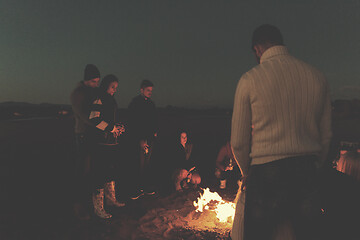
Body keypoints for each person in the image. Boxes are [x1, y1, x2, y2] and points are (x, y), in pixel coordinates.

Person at [231, 24, 332, 240]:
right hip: (306, 170)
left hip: (266, 173)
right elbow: (326, 135)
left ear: (257, 49)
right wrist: (314, 166)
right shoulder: (317, 77)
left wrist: (247, 171)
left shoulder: (249, 79)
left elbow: (238, 141)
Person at [88, 74, 126, 219]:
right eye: (112, 87)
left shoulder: (112, 100)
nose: (114, 90)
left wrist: (118, 127)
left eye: (116, 88)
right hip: (101, 143)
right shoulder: (99, 98)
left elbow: (112, 120)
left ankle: (111, 201)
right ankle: (99, 208)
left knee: (111, 171)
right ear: (105, 86)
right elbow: (94, 119)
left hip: (112, 143)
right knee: (100, 174)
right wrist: (111, 128)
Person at [70, 64, 101, 220]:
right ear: (87, 80)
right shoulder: (78, 94)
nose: (97, 84)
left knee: (89, 171)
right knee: (82, 171)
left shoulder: (90, 93)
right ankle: (78, 207)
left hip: (91, 135)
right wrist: (104, 125)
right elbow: (87, 117)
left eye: (98, 82)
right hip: (82, 135)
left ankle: (87, 203)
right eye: (94, 81)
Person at [127, 79, 158, 199]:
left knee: (147, 163)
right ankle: (135, 189)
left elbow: (153, 120)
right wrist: (140, 139)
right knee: (137, 164)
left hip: (150, 138)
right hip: (138, 138)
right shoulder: (135, 103)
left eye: (151, 90)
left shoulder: (151, 104)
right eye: (148, 90)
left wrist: (154, 132)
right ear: (141, 90)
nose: (150, 92)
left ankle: (145, 186)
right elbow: (133, 122)